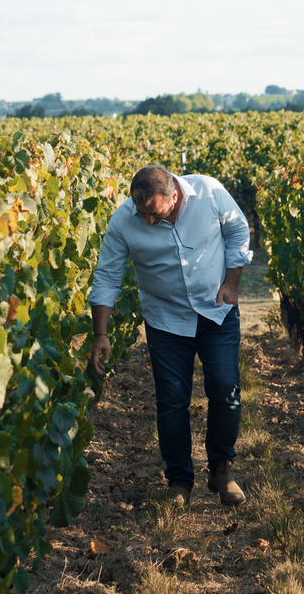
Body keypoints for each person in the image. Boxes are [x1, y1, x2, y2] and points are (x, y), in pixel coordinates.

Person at [88, 164, 253, 507]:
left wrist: (232, 284)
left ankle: (222, 469)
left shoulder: (208, 192)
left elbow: (238, 231)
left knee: (226, 390)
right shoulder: (123, 221)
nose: (148, 221)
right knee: (172, 401)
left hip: (216, 311)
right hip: (165, 320)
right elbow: (107, 276)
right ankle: (179, 481)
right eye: (142, 213)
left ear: (174, 196)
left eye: (156, 213)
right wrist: (100, 333)